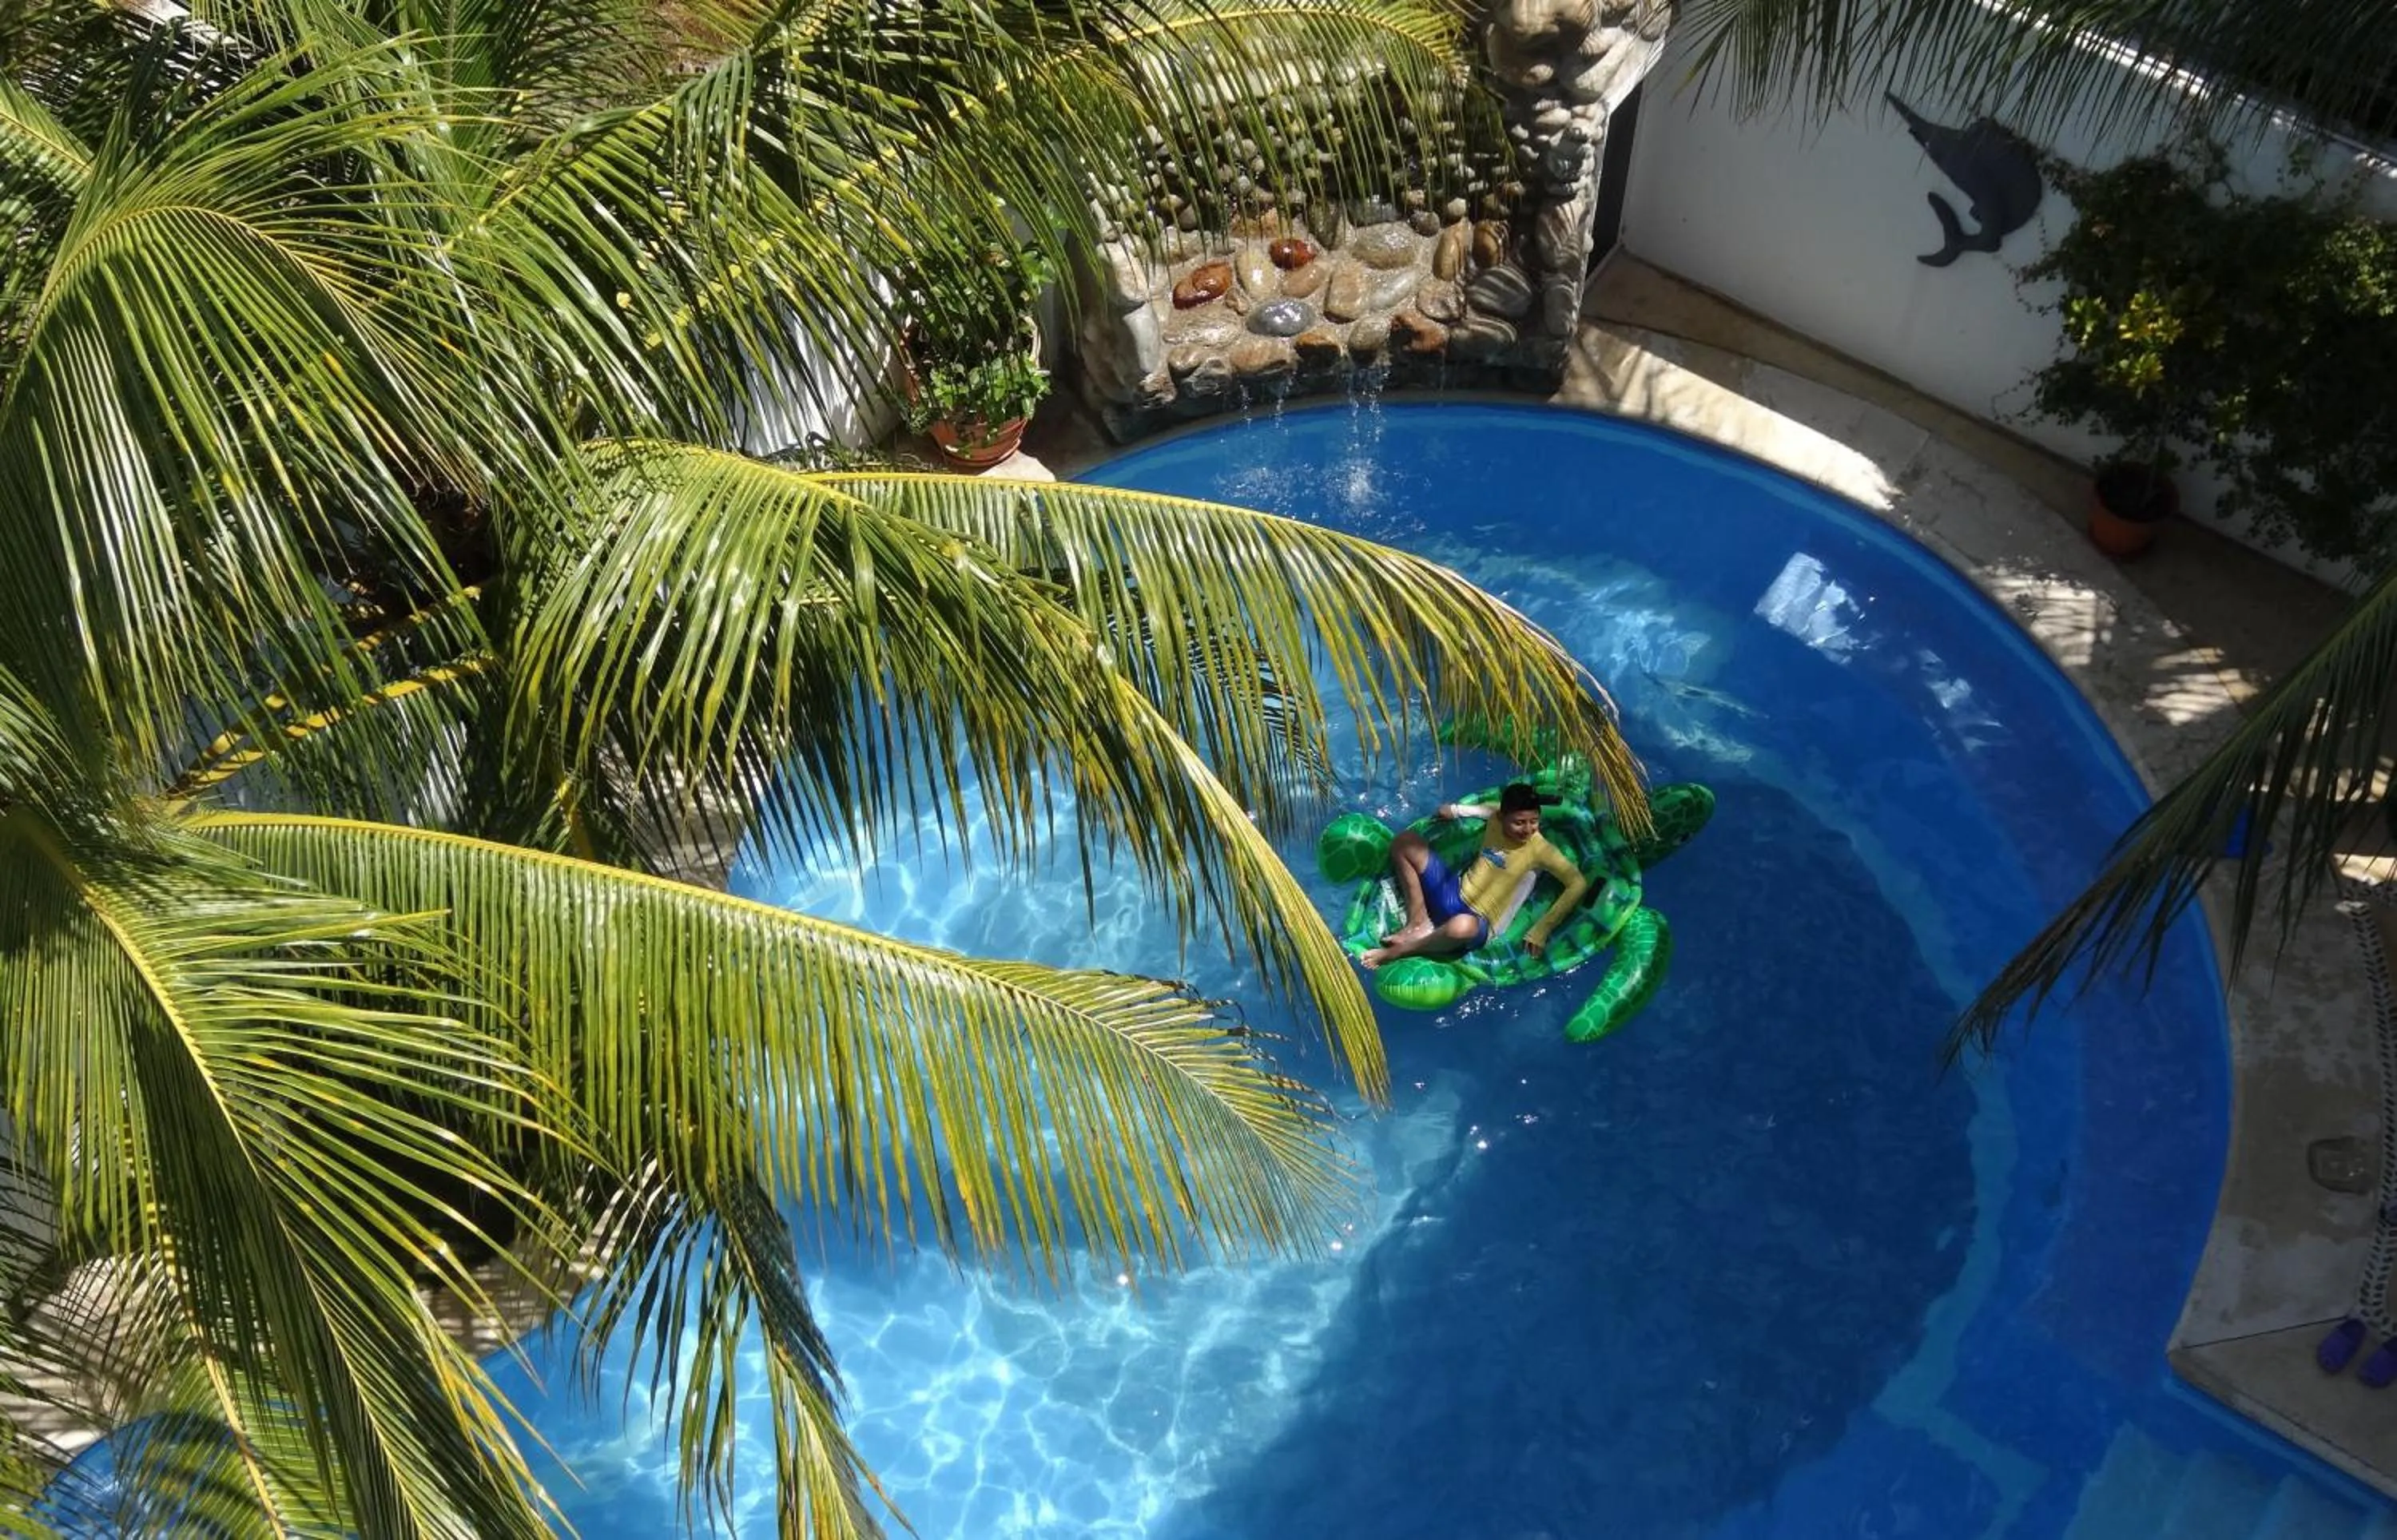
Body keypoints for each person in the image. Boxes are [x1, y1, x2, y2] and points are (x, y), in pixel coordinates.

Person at [1360, 781, 1591, 970]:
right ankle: (1418, 922)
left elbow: (1577, 883)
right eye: (1520, 823)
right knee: (1405, 842)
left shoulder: (1540, 849)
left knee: (1463, 927)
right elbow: (1487, 809)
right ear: (1504, 816)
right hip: (1454, 892)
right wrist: (1455, 810)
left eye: (1534, 822)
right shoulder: (1495, 818)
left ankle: (1403, 950)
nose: (1528, 829)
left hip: (1478, 923)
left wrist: (1542, 929)